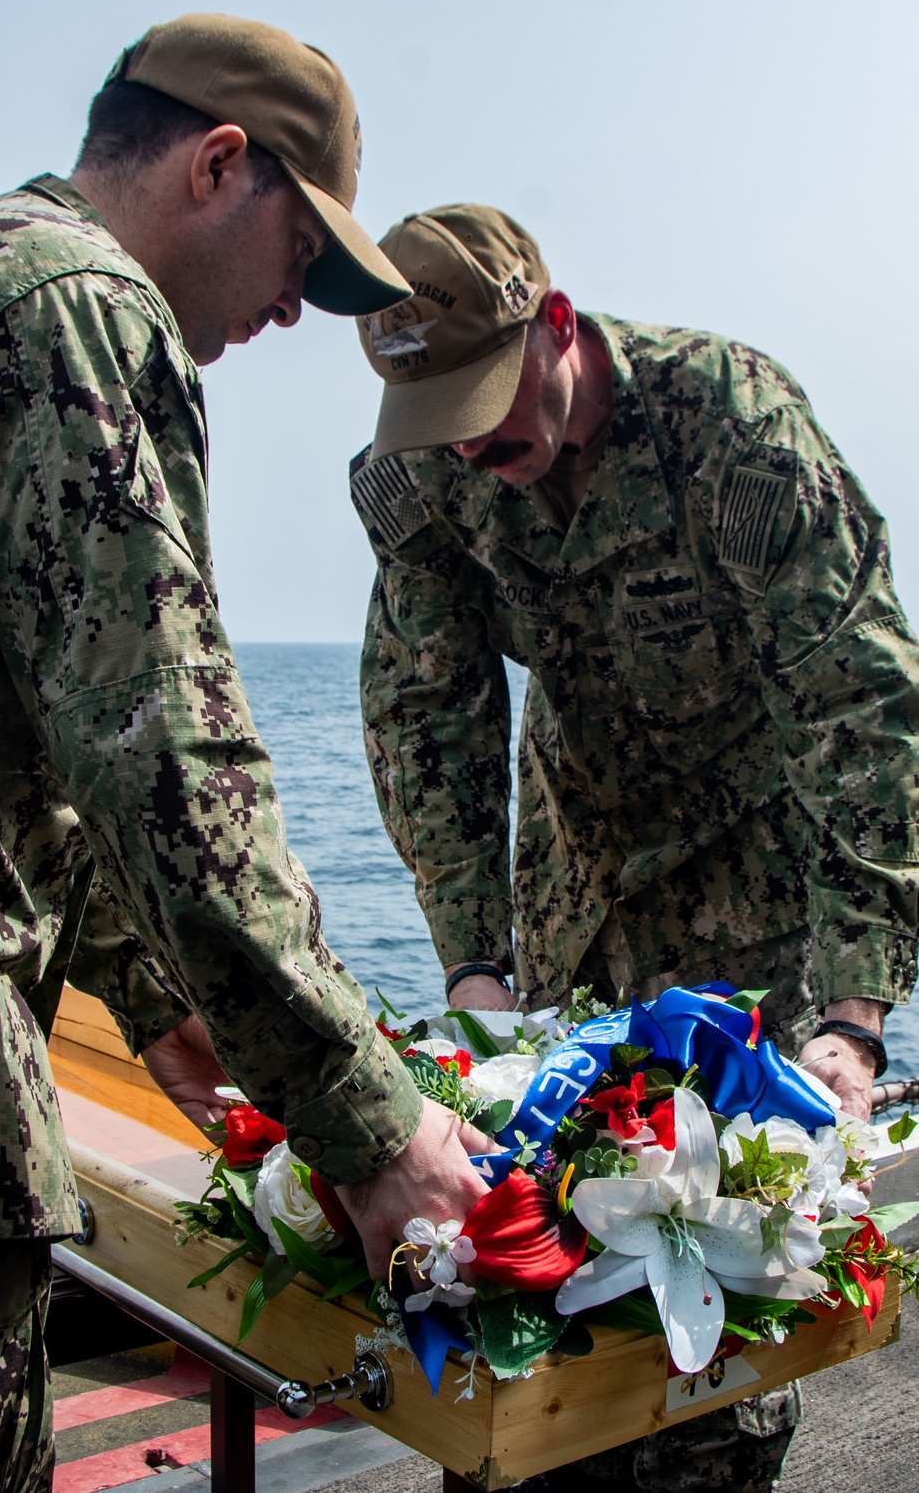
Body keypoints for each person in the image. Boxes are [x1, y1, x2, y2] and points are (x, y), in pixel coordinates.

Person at [0, 22, 490, 1493]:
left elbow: (20, 739)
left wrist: (184, 1024)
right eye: (303, 257)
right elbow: (158, 752)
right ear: (219, 163)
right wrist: (369, 1123)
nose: (298, 312)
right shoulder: (81, 309)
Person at [350, 204, 919, 1491]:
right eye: (440, 424)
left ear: (558, 327)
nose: (475, 450)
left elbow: (860, 704)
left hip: (748, 898)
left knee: (714, 1261)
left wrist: (853, 1007)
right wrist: (471, 969)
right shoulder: (430, 463)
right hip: (568, 899)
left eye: (493, 408)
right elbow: (426, 710)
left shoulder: (735, 429)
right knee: (523, 1237)